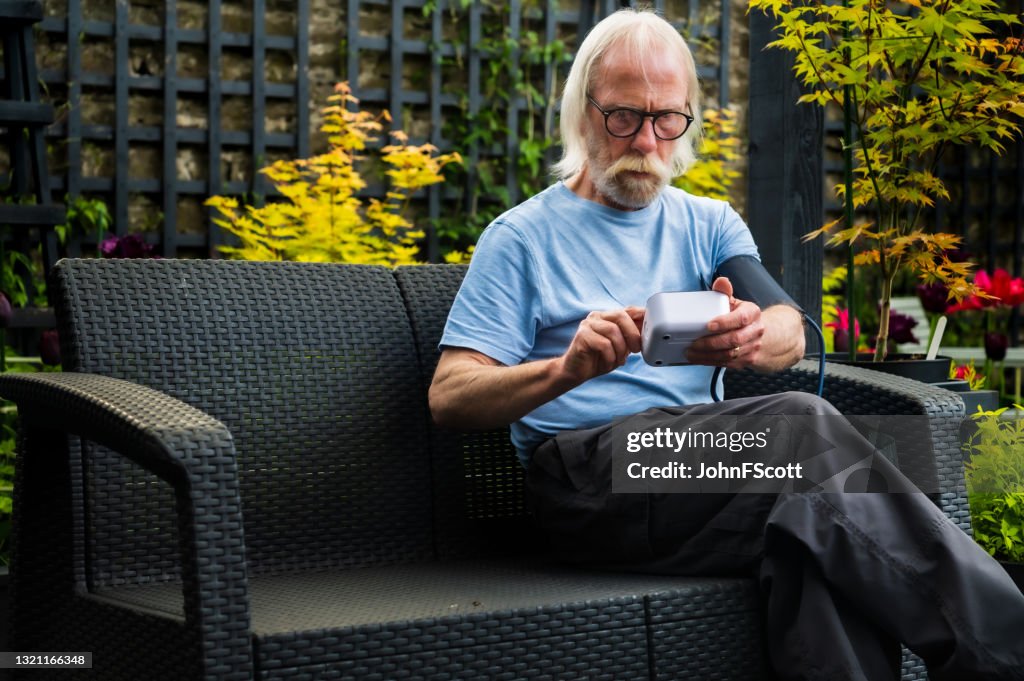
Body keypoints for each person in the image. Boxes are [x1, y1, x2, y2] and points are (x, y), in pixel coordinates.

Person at [429, 8, 1024, 681]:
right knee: (803, 430)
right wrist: (564, 370)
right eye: (625, 116)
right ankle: (1006, 650)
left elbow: (789, 327)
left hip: (706, 468)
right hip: (588, 474)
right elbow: (451, 395)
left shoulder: (708, 222)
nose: (647, 141)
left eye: (668, 120)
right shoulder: (521, 238)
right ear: (583, 112)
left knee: (811, 540)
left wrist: (751, 336)